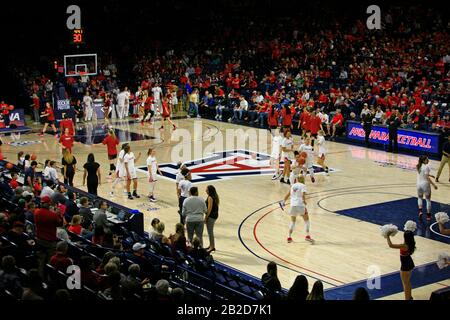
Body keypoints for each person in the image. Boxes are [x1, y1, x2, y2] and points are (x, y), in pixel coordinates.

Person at [33, 196, 62, 277]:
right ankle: (49, 279)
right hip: (50, 242)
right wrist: (58, 214)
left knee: (40, 261)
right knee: (50, 262)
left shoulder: (36, 212)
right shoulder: (52, 215)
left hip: (39, 239)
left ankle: (40, 277)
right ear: (49, 204)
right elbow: (60, 224)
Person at [282, 175, 313, 243]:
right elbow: (302, 195)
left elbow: (288, 194)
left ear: (297, 179)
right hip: (300, 204)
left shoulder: (293, 185)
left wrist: (283, 202)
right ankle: (307, 236)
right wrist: (304, 201)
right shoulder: (303, 186)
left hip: (293, 205)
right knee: (306, 220)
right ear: (302, 179)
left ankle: (289, 237)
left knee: (293, 222)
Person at [387, 230, 416, 300]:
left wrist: (387, 236)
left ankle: (407, 298)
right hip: (410, 263)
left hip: (405, 266)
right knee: (407, 282)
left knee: (405, 284)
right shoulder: (411, 243)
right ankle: (410, 297)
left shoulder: (404, 246)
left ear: (405, 237)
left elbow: (391, 245)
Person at [416, 155, 438, 221]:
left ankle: (420, 211)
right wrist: (434, 185)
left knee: (420, 198)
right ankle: (428, 215)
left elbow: (423, 174)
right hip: (425, 184)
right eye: (426, 159)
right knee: (428, 200)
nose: (428, 160)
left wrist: (430, 175)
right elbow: (427, 178)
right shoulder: (426, 167)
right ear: (423, 160)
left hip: (418, 184)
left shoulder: (418, 166)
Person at [204, 185, 219, 253]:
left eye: (206, 189)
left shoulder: (210, 198)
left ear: (209, 190)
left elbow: (209, 209)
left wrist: (206, 217)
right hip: (214, 215)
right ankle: (211, 245)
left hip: (211, 216)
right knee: (210, 231)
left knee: (210, 231)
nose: (205, 190)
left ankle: (212, 247)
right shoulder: (215, 196)